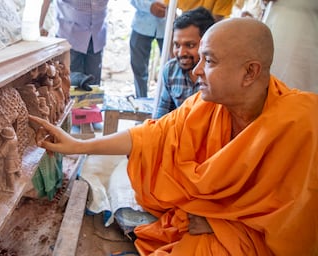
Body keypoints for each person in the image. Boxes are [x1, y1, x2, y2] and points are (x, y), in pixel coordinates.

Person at [29, 18, 318, 255]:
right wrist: (79, 145)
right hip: (201, 221)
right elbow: (150, 136)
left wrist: (220, 225)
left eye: (209, 61)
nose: (197, 71)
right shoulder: (205, 107)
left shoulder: (304, 122)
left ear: (249, 73)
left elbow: (298, 225)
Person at [153, 7, 215, 118]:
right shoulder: (171, 70)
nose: (181, 53)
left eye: (190, 45)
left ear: (207, 44)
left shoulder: (218, 75)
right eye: (177, 45)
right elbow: (161, 117)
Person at [40, 0, 109, 86]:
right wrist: (39, 25)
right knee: (70, 85)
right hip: (69, 37)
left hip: (97, 35)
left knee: (93, 85)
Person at [130, 0, 167, 98]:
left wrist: (168, 8)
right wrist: (149, 6)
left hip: (167, 25)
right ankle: (141, 100)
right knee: (138, 67)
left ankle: (166, 101)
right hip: (141, 24)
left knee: (171, 67)